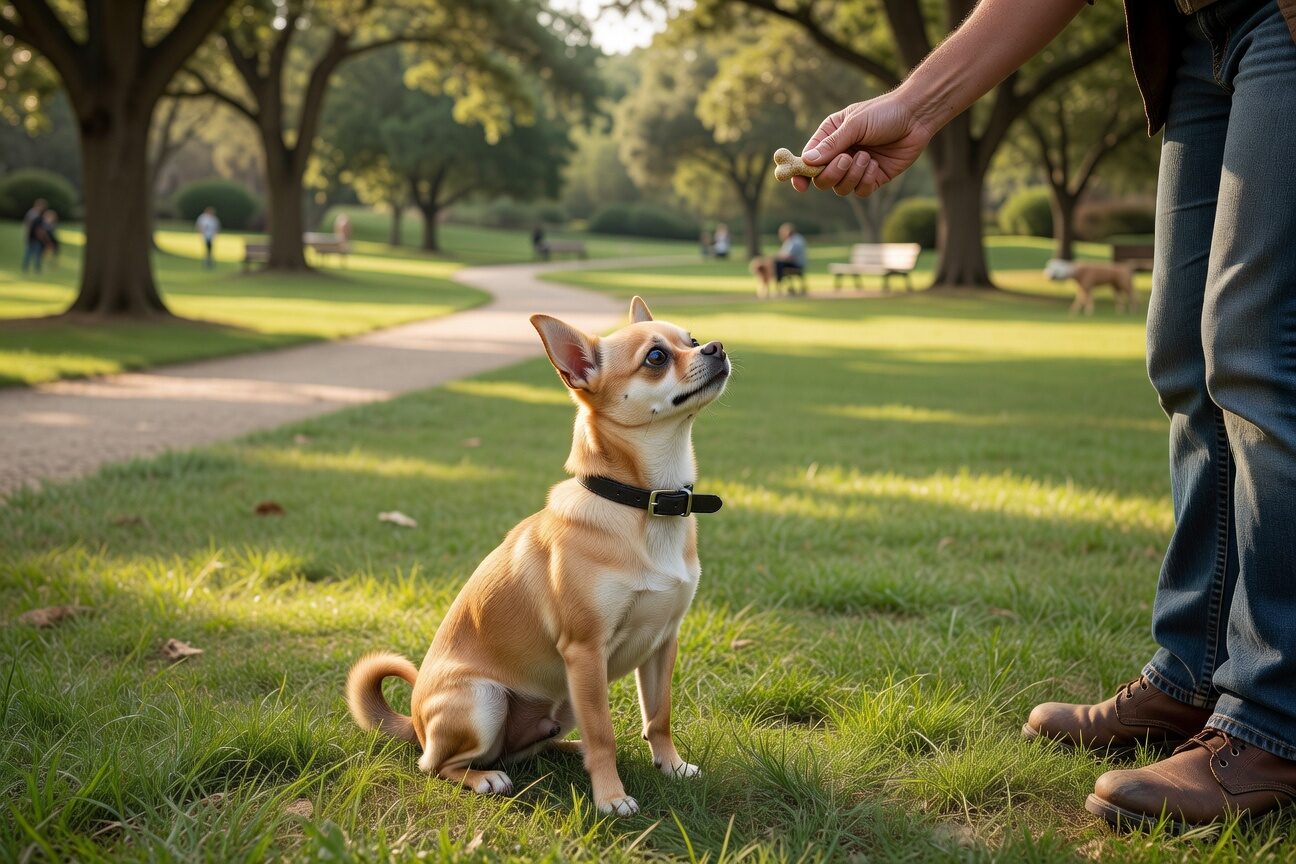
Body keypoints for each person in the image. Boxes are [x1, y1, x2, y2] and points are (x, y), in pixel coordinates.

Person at [789, 0, 1296, 830]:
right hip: (1196, 34)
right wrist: (911, 107)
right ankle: (1193, 672)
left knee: (1257, 350)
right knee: (1182, 352)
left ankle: (1273, 717)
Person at [750, 223, 808, 297]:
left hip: (796, 264)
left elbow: (789, 257)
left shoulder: (795, 241)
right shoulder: (791, 240)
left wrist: (775, 257)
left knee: (777, 264)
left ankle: (778, 285)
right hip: (792, 262)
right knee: (774, 263)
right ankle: (775, 285)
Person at [20, 198, 46, 274]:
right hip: (32, 237)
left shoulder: (39, 214)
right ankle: (26, 269)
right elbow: (29, 226)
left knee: (37, 254)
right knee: (29, 253)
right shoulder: (33, 214)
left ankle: (37, 269)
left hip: (36, 238)